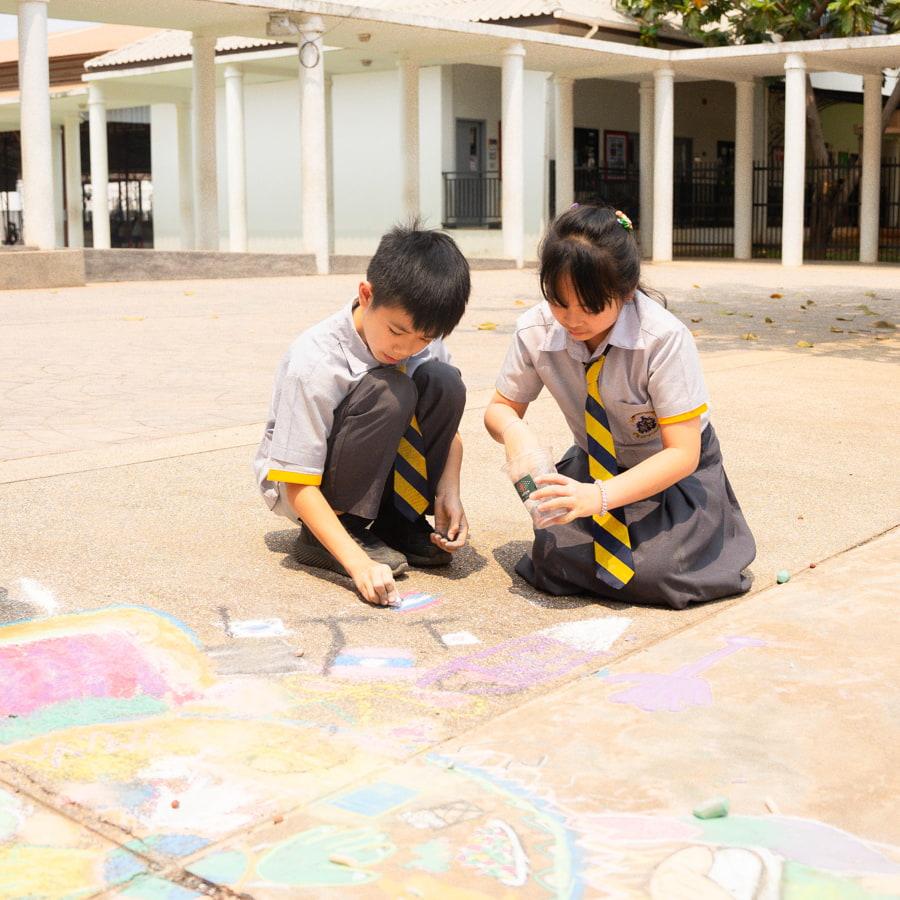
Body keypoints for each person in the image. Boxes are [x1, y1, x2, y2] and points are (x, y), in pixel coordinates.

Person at [484, 204, 755, 609]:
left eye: (590, 306)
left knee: (654, 573)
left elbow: (682, 453)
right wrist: (513, 430)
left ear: (626, 292)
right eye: (559, 302)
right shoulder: (536, 329)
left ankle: (715, 531)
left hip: (672, 473)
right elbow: (498, 408)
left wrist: (599, 498)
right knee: (554, 559)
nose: (572, 320)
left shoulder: (661, 338)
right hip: (595, 462)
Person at [254, 223, 471, 607]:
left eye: (424, 338)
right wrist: (357, 565)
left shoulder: (419, 341)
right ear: (366, 295)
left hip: (376, 466)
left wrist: (448, 493)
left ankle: (398, 521)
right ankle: (334, 532)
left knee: (444, 381)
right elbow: (295, 482)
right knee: (391, 389)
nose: (405, 348)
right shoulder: (316, 361)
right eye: (396, 331)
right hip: (307, 489)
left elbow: (450, 434)